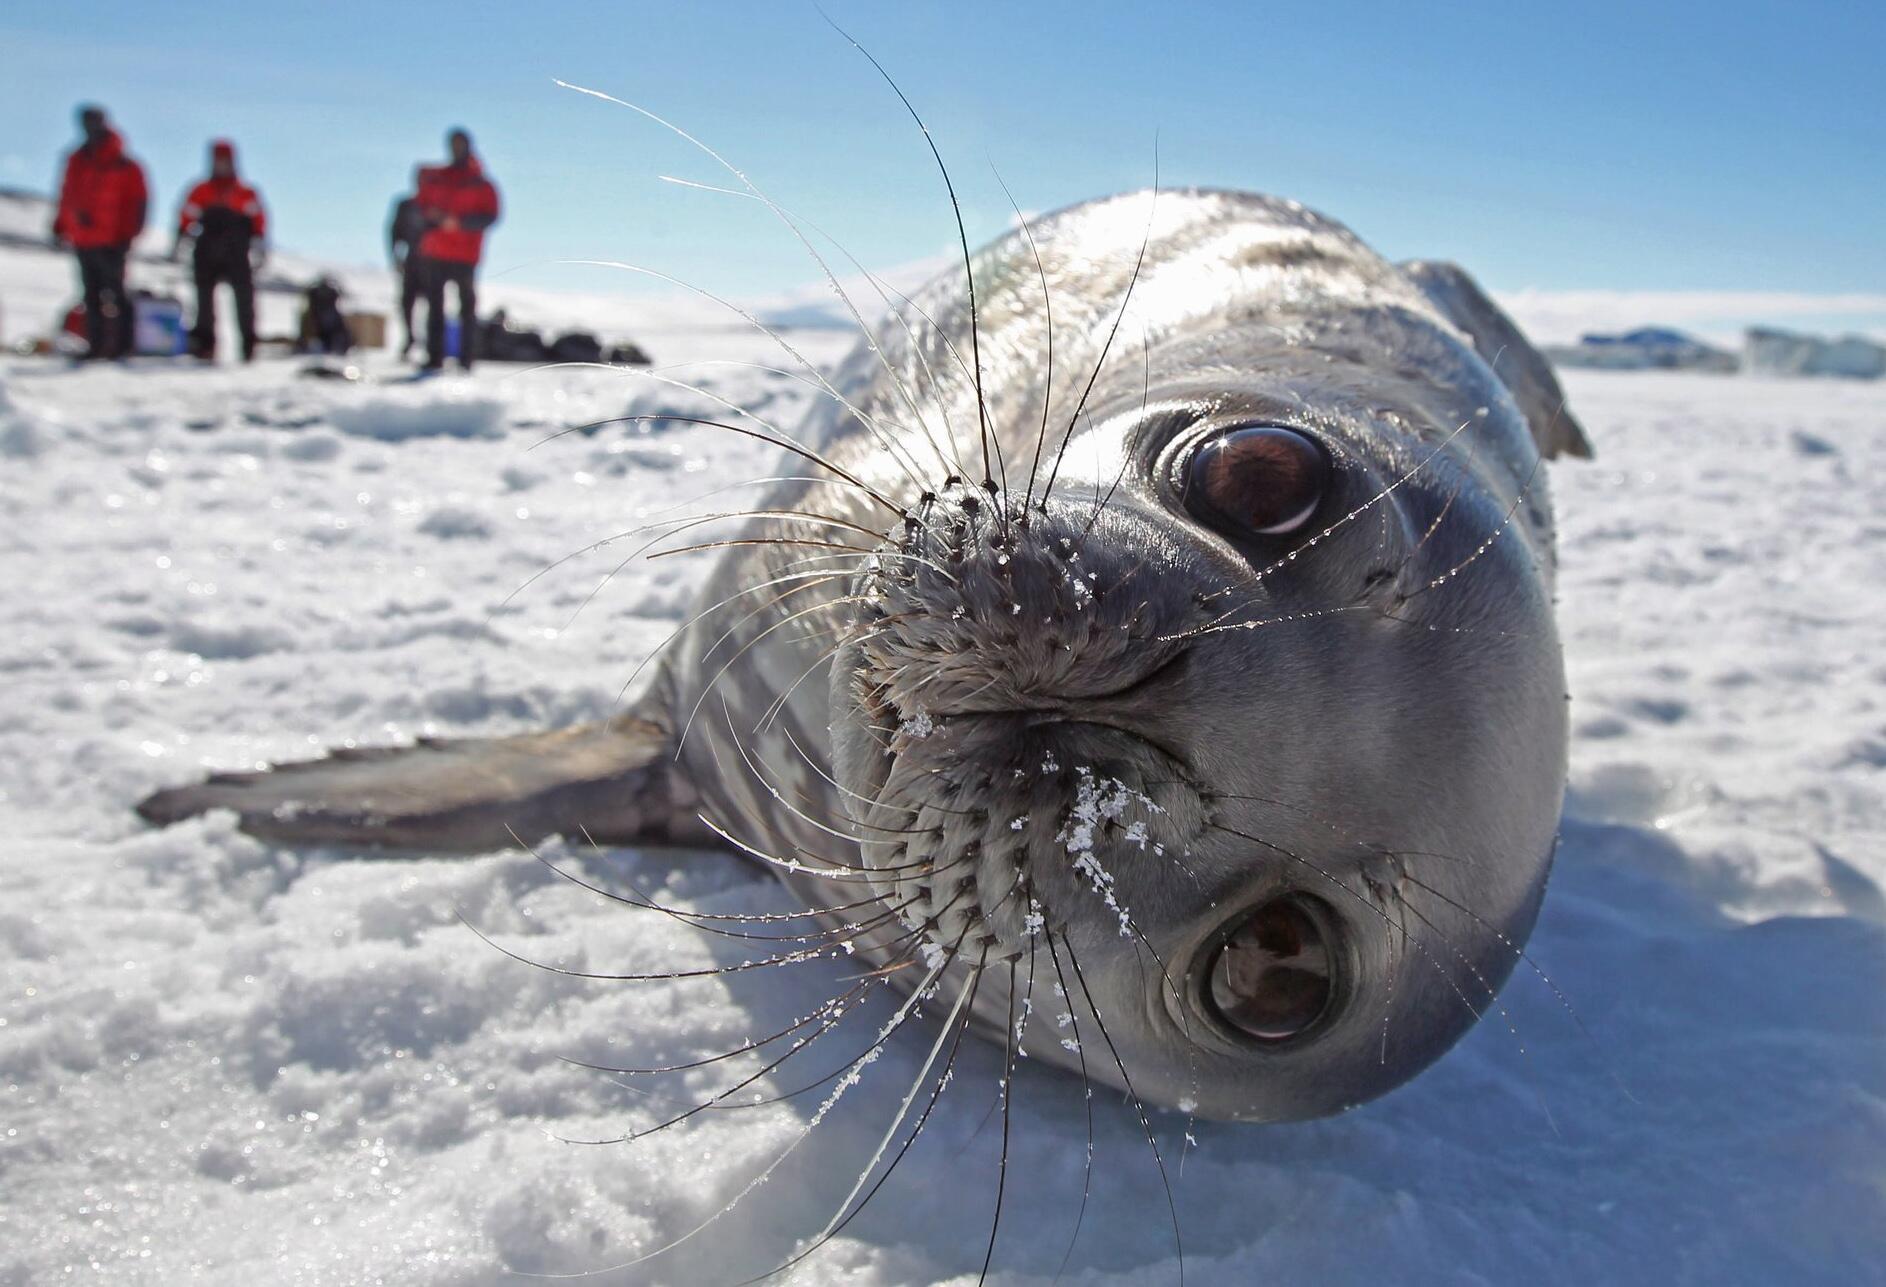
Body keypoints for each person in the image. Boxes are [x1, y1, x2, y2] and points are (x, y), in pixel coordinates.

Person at [51, 105, 148, 360]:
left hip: (112, 240)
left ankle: (124, 346)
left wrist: (128, 235)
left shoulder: (124, 164)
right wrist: (61, 224)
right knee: (90, 294)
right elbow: (68, 193)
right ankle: (96, 346)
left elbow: (137, 202)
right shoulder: (77, 160)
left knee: (116, 292)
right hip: (83, 238)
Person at [414, 128, 500, 371]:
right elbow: (421, 207)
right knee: (434, 307)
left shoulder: (481, 183)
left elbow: (490, 216)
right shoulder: (438, 178)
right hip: (437, 251)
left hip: (465, 254)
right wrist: (433, 219)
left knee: (466, 308)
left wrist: (461, 224)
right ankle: (434, 358)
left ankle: (466, 358)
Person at [173, 140, 267, 362]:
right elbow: (186, 216)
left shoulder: (244, 192)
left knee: (244, 301)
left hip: (237, 252)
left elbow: (258, 220)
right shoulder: (201, 190)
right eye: (218, 161)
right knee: (204, 302)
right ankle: (205, 346)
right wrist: (180, 238)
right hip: (206, 251)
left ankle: (248, 347)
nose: (222, 165)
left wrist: (260, 244)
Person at [387, 171, 428, 359]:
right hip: (412, 260)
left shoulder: (437, 206)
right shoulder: (406, 205)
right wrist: (395, 256)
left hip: (434, 263)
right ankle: (410, 338)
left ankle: (432, 343)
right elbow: (394, 231)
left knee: (434, 305)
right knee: (406, 303)